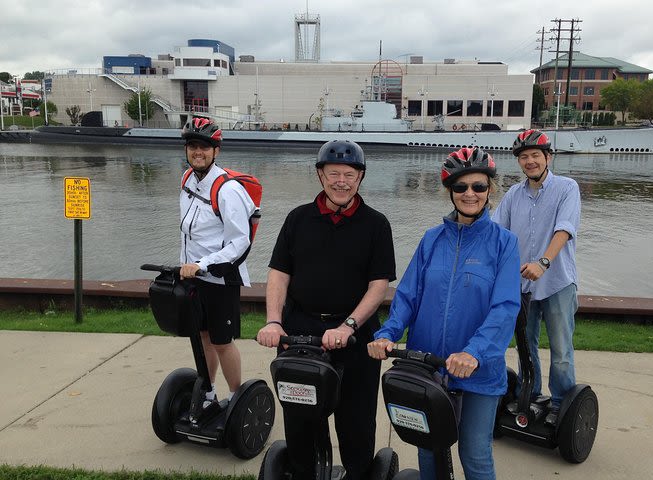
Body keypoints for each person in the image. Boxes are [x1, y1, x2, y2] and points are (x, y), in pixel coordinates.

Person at [368, 146, 520, 480]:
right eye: (461, 187)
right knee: (429, 447)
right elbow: (408, 295)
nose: (470, 194)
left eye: (479, 186)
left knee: (475, 455)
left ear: (489, 190)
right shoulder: (431, 239)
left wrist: (473, 352)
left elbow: (505, 307)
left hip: (478, 370)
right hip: (428, 366)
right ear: (450, 191)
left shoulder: (504, 243)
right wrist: (387, 333)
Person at [256, 139, 396, 480]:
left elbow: (379, 285)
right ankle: (305, 472)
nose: (341, 181)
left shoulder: (376, 225)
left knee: (355, 421)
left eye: (349, 174)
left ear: (361, 177)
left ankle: (358, 472)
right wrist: (274, 321)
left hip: (354, 338)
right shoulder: (298, 219)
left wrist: (348, 326)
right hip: (300, 333)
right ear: (321, 175)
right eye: (333, 173)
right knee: (301, 419)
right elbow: (278, 274)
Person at [491, 129, 581, 426]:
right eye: (524, 157)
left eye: (535, 155)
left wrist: (543, 262)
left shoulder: (567, 188)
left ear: (547, 158)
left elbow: (564, 230)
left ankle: (560, 405)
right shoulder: (513, 195)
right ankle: (530, 394)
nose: (529, 161)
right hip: (522, 287)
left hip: (556, 283)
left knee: (561, 350)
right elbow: (495, 233)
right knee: (525, 345)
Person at [179, 116, 257, 408]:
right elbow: (190, 231)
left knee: (222, 340)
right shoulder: (187, 179)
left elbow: (240, 241)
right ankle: (209, 391)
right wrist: (187, 266)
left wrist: (204, 264)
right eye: (193, 146)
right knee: (202, 336)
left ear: (216, 151)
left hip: (220, 278)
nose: (198, 152)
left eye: (204, 147)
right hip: (193, 276)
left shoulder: (228, 190)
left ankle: (237, 398)